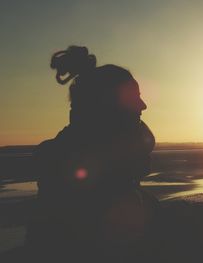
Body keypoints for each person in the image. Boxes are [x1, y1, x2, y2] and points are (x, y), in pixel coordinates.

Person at [26, 46, 158, 261]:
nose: (143, 105)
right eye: (135, 97)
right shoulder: (91, 178)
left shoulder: (113, 168)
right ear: (108, 107)